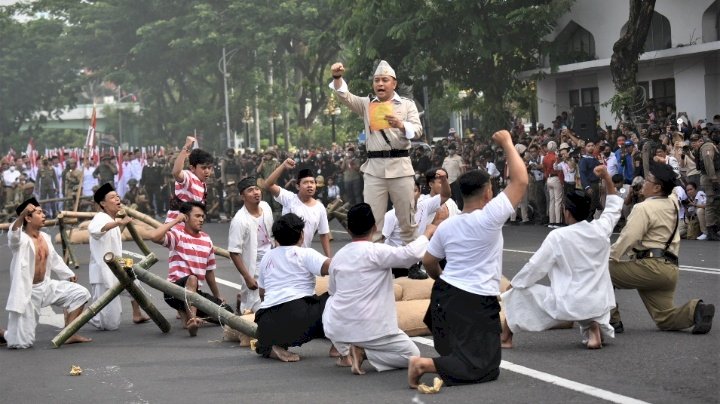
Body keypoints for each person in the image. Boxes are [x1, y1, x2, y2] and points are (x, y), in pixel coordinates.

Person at [408, 129, 528, 389]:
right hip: (472, 302)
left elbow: (429, 261)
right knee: (485, 367)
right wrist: (507, 143)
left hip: (444, 299)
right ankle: (423, 364)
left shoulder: (448, 226)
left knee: (483, 363)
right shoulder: (488, 217)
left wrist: (442, 279)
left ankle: (447, 361)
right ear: (487, 193)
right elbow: (520, 181)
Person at [501, 165, 622, 350]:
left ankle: (506, 338)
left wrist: (514, 285)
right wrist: (606, 176)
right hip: (599, 302)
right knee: (585, 299)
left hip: (570, 302)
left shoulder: (558, 237)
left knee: (517, 293)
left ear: (567, 212)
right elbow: (613, 206)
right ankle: (593, 330)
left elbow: (535, 267)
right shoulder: (601, 229)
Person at [323, 202, 446, 376]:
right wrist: (428, 232)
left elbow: (333, 292)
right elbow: (410, 254)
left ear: (348, 230)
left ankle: (346, 351)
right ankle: (363, 352)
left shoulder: (338, 257)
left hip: (337, 328)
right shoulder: (376, 252)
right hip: (372, 329)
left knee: (332, 301)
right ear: (374, 228)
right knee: (411, 354)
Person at [609, 162, 714, 335]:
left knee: (600, 270)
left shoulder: (643, 207)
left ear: (657, 187)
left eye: (648, 180)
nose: (643, 183)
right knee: (664, 318)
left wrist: (610, 257)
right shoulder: (672, 202)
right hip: (669, 270)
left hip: (650, 267)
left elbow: (628, 238)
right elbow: (674, 190)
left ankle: (611, 320)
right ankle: (696, 310)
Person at [330, 60, 423, 243]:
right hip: (374, 169)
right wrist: (337, 77)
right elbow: (344, 96)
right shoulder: (366, 104)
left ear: (393, 83)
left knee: (407, 219)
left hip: (401, 167)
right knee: (372, 221)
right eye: (377, 80)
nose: (380, 84)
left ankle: (412, 263)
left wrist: (401, 125)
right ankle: (375, 264)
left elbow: (418, 130)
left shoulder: (406, 105)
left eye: (384, 80)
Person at [3, 197, 92, 348]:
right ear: (28, 218)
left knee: (81, 293)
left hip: (46, 285)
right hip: (28, 292)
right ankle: (4, 334)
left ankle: (68, 333)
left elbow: (55, 258)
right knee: (21, 343)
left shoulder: (45, 237)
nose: (43, 215)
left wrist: (67, 273)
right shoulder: (20, 240)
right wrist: (21, 215)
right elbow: (13, 233)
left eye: (42, 212)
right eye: (38, 213)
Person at [254, 213, 331, 362]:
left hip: (265, 322)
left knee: (283, 320)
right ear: (301, 235)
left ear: (276, 238)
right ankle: (340, 345)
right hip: (298, 317)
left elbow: (262, 293)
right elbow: (334, 267)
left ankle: (270, 344)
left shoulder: (267, 257)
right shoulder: (304, 253)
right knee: (334, 297)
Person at [149, 201, 232, 337]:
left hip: (194, 293)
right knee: (192, 278)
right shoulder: (178, 235)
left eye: (202, 217)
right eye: (197, 216)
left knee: (226, 312)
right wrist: (176, 220)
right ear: (186, 217)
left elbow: (209, 271)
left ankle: (188, 317)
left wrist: (217, 296)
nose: (201, 220)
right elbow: (154, 236)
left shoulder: (206, 239)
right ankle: (192, 320)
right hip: (173, 291)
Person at [87, 183, 150, 330]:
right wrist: (119, 222)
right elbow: (94, 230)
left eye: (117, 196)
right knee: (109, 325)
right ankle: (83, 316)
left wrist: (121, 224)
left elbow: (111, 235)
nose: (117, 199)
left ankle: (137, 314)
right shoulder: (100, 218)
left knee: (135, 284)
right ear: (103, 203)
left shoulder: (111, 219)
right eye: (112, 197)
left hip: (117, 267)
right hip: (103, 273)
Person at [263, 158, 331, 257]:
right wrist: (283, 166)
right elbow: (268, 184)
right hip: (283, 255)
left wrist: (329, 259)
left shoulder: (320, 208)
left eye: (312, 182)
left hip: (303, 256)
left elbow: (324, 234)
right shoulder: (289, 198)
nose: (310, 185)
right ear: (297, 186)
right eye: (305, 182)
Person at [228, 177, 274, 315]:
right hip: (253, 264)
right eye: (250, 190)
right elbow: (234, 252)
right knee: (254, 306)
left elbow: (272, 235)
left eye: (257, 189)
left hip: (271, 259)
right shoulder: (240, 220)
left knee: (272, 297)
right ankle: (242, 319)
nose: (255, 192)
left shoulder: (266, 207)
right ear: (242, 196)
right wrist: (247, 277)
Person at [165, 136, 213, 224]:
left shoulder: (203, 185)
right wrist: (186, 147)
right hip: (176, 228)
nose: (207, 171)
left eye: (209, 168)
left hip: (189, 230)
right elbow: (176, 172)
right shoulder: (189, 177)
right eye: (203, 168)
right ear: (192, 168)